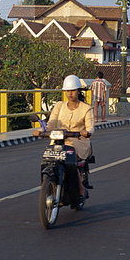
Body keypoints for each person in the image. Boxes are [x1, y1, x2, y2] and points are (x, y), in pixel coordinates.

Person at [34, 75, 94, 209]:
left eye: (73, 90)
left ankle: (80, 190)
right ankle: (50, 185)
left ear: (78, 91)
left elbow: (90, 128)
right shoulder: (59, 106)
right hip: (59, 140)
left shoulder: (86, 108)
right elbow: (51, 124)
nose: (70, 93)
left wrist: (86, 132)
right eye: (67, 91)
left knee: (69, 159)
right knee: (48, 157)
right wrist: (41, 131)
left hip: (78, 141)